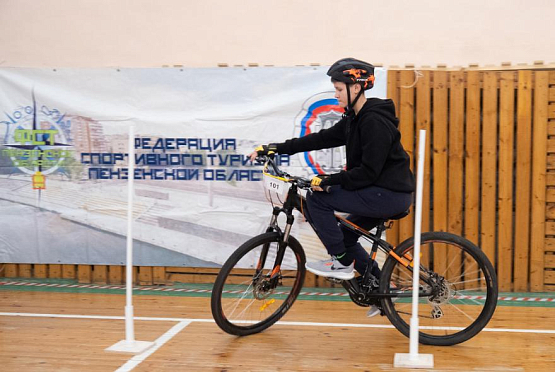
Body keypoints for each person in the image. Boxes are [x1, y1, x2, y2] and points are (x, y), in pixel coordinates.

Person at [250, 58, 415, 316]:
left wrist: (328, 181)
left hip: (390, 194)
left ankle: (342, 263)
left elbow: (368, 173)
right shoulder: (354, 119)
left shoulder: (373, 122)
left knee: (319, 200)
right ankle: (382, 288)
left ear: (356, 87)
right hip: (379, 191)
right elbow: (320, 139)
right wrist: (276, 148)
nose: (336, 94)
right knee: (346, 236)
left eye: (339, 89)